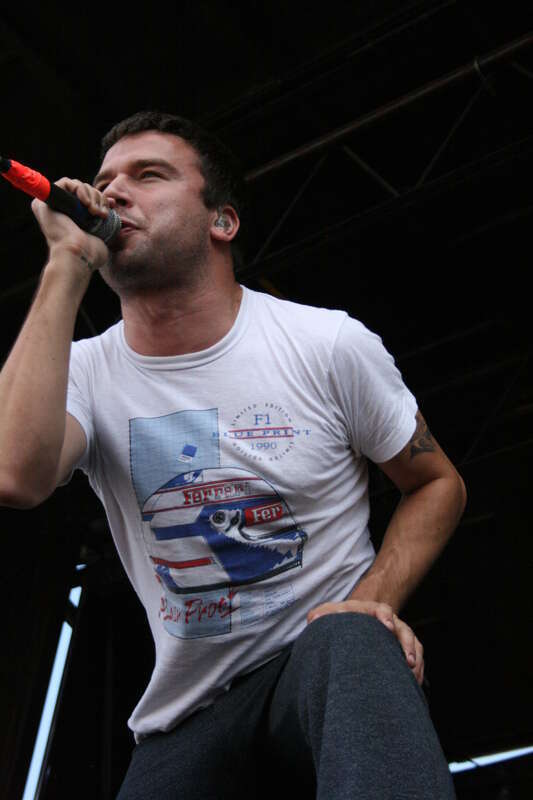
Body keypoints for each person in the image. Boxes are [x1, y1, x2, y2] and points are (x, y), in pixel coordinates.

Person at [0, 111, 466, 799]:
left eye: (148, 175)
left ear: (222, 222)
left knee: (354, 643)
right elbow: (15, 475)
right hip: (189, 715)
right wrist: (65, 263)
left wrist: (369, 603)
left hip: (315, 665)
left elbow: (435, 482)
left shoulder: (324, 344)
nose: (115, 192)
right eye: (105, 181)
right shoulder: (84, 372)